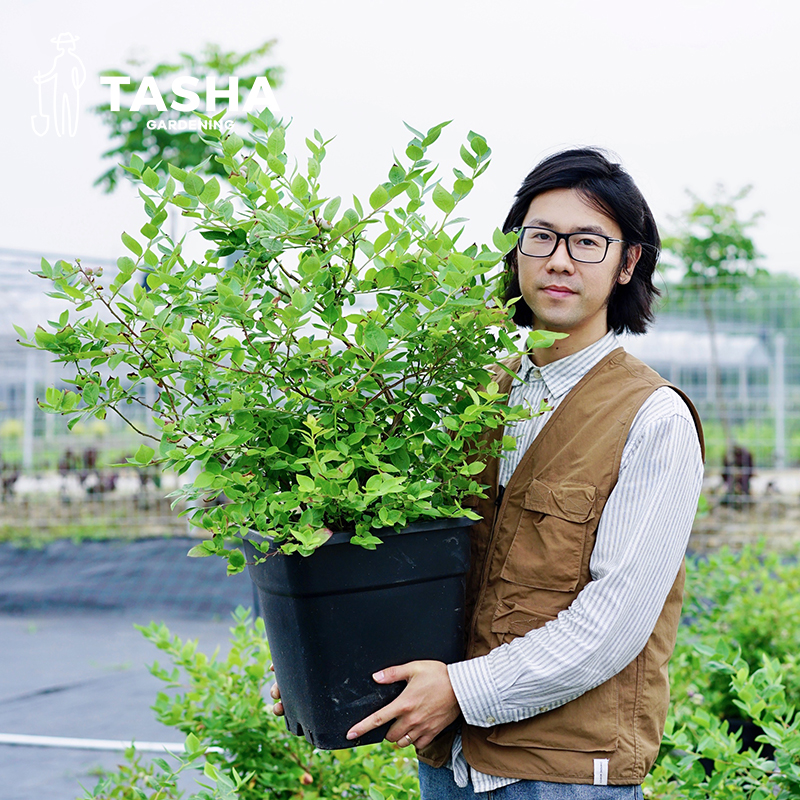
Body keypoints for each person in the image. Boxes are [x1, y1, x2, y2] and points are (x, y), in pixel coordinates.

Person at [272, 148, 705, 799]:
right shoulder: (476, 398)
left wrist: (460, 689)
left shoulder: (653, 417)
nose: (560, 259)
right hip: (451, 766)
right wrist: (323, 659)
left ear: (628, 262)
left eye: (588, 241)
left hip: (563, 776)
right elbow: (415, 568)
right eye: (542, 237)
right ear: (515, 250)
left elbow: (614, 624)